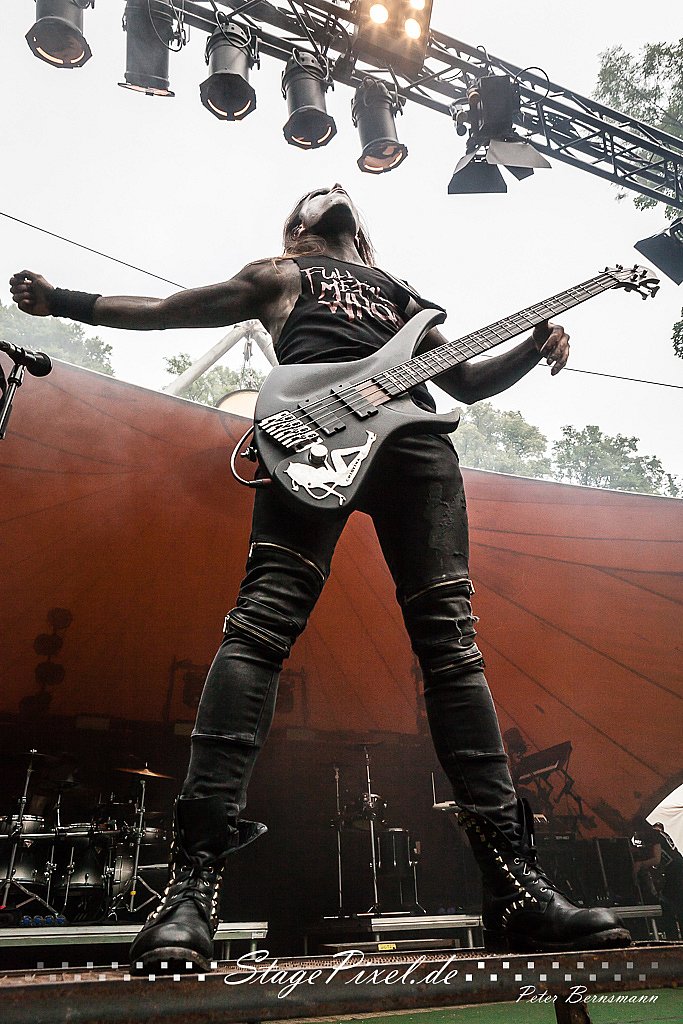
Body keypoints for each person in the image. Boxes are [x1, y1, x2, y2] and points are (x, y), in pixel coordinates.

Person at [10, 185, 630, 970]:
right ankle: (192, 889)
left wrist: (531, 348)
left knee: (451, 646)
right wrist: (62, 300)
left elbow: (466, 383)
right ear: (298, 225)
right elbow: (167, 309)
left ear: (361, 228)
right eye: (315, 191)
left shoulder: (404, 293)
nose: (334, 188)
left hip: (417, 447)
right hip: (310, 432)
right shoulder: (280, 274)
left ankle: (515, 886)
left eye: (343, 190)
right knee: (260, 626)